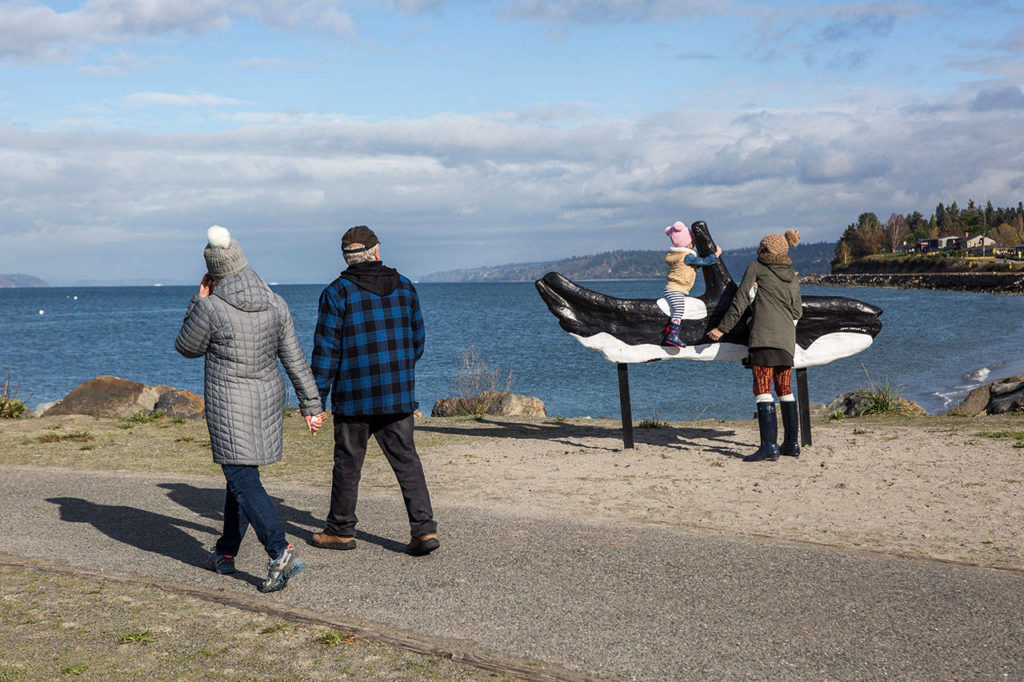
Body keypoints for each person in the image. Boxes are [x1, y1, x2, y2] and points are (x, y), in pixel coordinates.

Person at [175, 225, 326, 592]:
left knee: (242, 478)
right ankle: (226, 552)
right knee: (239, 476)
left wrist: (199, 300)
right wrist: (312, 405)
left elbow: (186, 347)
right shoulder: (277, 303)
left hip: (230, 402)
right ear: (243, 263)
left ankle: (279, 551)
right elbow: (293, 358)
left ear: (212, 271)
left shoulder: (211, 307)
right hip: (269, 398)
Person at [310, 225, 439, 556]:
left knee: (348, 462)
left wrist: (315, 402)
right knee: (406, 460)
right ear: (377, 251)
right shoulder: (406, 289)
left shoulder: (337, 293)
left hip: (355, 396)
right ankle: (424, 531)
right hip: (397, 393)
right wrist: (399, 370)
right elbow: (417, 342)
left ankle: (340, 530)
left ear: (347, 258)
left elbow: (326, 353)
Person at [707, 230, 802, 462]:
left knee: (762, 389)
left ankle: (769, 447)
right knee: (785, 390)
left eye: (760, 247)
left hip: (763, 337)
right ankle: (791, 444)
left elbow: (740, 299)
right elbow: (797, 311)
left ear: (765, 251)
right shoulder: (790, 274)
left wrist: (722, 328)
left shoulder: (757, 267)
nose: (756, 250)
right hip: (787, 340)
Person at [662, 221, 722, 347]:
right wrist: (716, 254)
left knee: (677, 309)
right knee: (678, 310)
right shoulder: (687, 257)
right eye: (692, 241)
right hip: (676, 289)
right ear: (687, 243)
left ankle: (670, 331)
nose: (694, 244)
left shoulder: (678, 256)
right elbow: (705, 261)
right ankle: (673, 335)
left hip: (672, 288)